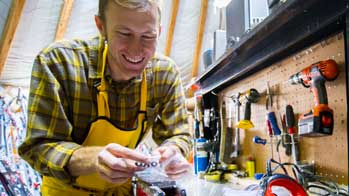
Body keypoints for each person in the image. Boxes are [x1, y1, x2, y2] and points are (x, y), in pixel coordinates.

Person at [18, 0, 192, 195]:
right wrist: (92, 159)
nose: (136, 50)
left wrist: (173, 152)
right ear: (101, 27)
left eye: (148, 36)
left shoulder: (164, 73)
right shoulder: (58, 62)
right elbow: (38, 147)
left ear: (159, 32)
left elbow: (179, 135)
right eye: (124, 34)